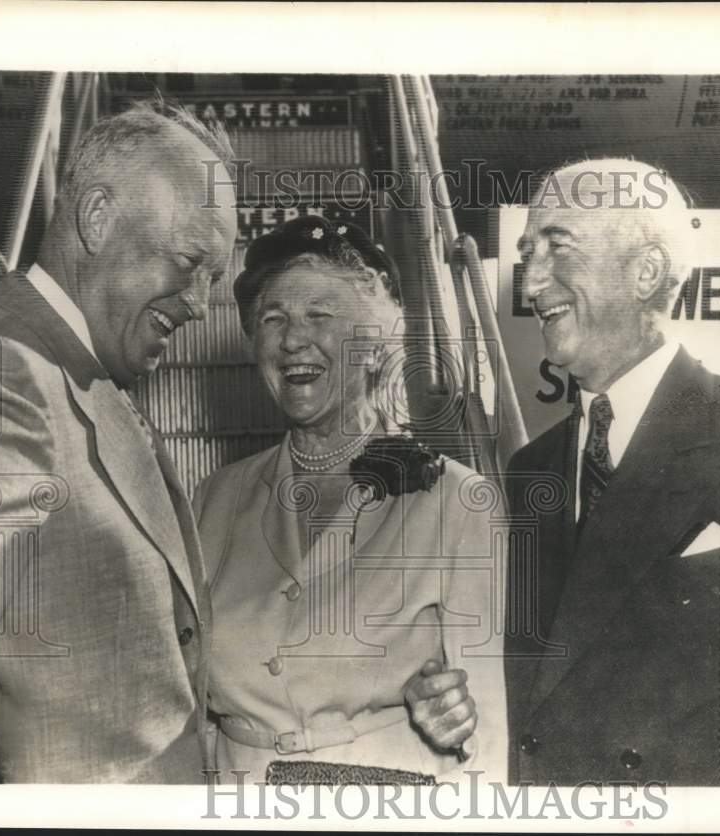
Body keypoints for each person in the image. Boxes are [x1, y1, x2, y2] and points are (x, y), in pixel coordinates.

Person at [0, 100, 238, 782]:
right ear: (96, 219)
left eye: (215, 279)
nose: (201, 304)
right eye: (187, 261)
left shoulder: (83, 377)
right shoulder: (3, 376)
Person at [192, 215, 507, 784]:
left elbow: (487, 739)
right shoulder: (212, 500)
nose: (292, 339)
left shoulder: (455, 501)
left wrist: (456, 727)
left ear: (374, 344)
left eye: (320, 315)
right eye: (272, 319)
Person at [503, 159, 720, 785]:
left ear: (646, 272)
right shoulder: (528, 471)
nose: (530, 285)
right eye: (527, 253)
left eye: (557, 245)